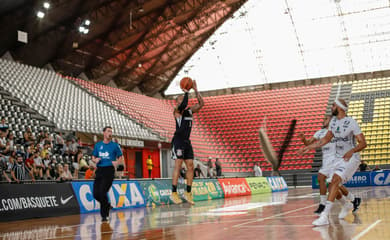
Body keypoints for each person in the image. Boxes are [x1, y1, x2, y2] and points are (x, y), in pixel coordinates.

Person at [299, 99, 366, 226]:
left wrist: (352, 150)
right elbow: (325, 140)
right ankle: (347, 204)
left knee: (335, 181)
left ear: (340, 108)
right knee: (332, 184)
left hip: (351, 158)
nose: (331, 107)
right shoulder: (334, 122)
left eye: (334, 105)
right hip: (338, 158)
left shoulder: (352, 123)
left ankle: (324, 215)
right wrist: (308, 147)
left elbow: (363, 143)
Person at [170, 80, 204, 205]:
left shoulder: (189, 111)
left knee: (191, 166)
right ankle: (173, 193)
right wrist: (185, 92)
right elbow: (184, 104)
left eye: (182, 98)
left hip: (187, 142)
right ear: (177, 102)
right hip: (178, 141)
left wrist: (195, 89)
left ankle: (188, 192)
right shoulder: (177, 111)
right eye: (179, 98)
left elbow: (201, 103)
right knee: (178, 166)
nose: (182, 99)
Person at [299, 115, 335, 214]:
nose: (324, 120)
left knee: (333, 184)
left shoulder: (335, 131)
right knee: (322, 179)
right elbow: (308, 143)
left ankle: (324, 204)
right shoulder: (319, 132)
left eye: (326, 118)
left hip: (335, 159)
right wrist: (303, 139)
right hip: (326, 160)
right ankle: (323, 204)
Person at [92, 126, 125, 222]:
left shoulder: (115, 145)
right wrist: (95, 160)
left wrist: (117, 163)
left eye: (111, 131)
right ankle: (107, 204)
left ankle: (104, 215)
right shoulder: (98, 145)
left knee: (102, 192)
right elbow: (93, 157)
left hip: (109, 171)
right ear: (104, 133)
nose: (110, 133)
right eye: (108, 131)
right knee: (96, 194)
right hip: (100, 170)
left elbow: (120, 157)